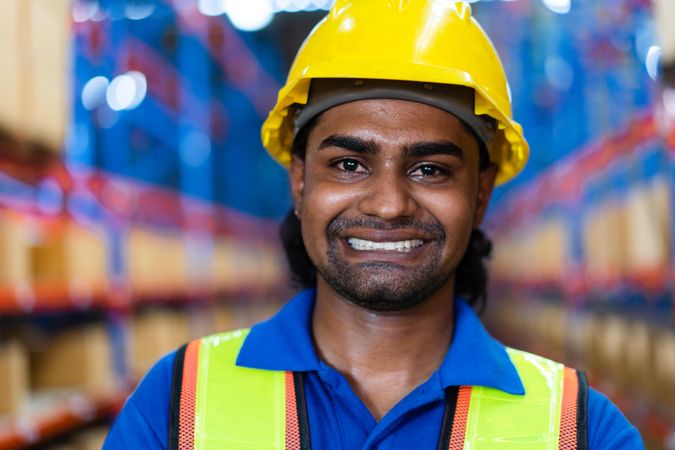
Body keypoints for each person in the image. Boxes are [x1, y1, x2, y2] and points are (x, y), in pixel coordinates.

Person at [104, 1, 644, 448]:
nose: (388, 204)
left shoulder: (580, 430)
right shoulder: (176, 409)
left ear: (479, 194)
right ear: (299, 182)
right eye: (348, 164)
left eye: (430, 169)